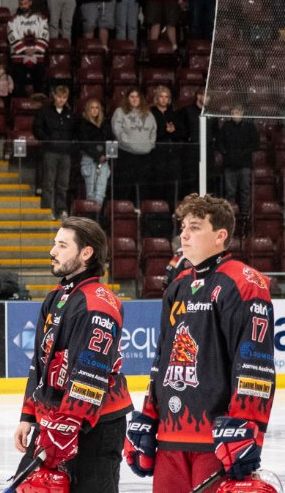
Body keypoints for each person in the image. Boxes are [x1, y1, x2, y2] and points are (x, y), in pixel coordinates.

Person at [125, 195, 274, 493]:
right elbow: (161, 362)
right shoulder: (178, 286)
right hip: (170, 438)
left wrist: (247, 429)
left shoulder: (245, 283)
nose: (184, 234)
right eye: (183, 227)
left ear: (220, 236)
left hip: (217, 441)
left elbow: (254, 365)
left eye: (194, 227)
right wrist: (150, 417)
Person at [12, 216, 131, 492]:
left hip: (95, 426)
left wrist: (67, 424)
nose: (53, 251)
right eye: (55, 244)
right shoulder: (58, 295)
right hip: (56, 421)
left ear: (86, 253)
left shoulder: (99, 302)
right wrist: (28, 414)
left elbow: (89, 372)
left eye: (62, 245)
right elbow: (40, 363)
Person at [34, 85, 77, 219]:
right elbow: (37, 129)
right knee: (49, 182)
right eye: (59, 97)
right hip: (50, 151)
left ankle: (61, 210)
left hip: (65, 153)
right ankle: (47, 210)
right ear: (54, 96)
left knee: (63, 183)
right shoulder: (44, 112)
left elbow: (75, 132)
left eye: (64, 97)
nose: (61, 100)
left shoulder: (70, 113)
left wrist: (70, 145)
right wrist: (48, 140)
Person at [214, 106, 258, 229]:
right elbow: (219, 143)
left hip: (244, 164)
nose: (236, 115)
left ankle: (244, 218)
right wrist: (226, 153)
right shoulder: (226, 126)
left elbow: (255, 144)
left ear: (243, 113)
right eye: (234, 112)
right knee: (230, 192)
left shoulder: (249, 126)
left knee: (245, 191)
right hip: (229, 165)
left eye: (238, 112)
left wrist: (243, 153)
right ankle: (230, 218)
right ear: (231, 113)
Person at [111, 87, 155, 199]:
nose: (135, 99)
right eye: (132, 97)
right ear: (127, 99)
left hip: (145, 156)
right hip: (127, 154)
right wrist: (129, 143)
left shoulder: (149, 114)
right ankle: (122, 211)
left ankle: (141, 210)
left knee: (143, 187)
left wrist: (149, 145)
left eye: (137, 96)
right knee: (125, 186)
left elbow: (153, 131)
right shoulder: (120, 112)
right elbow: (117, 131)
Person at [8, 0, 49, 97]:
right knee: (18, 84)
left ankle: (39, 107)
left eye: (25, 3)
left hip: (37, 55)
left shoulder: (41, 18)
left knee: (39, 83)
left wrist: (35, 49)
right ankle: (19, 106)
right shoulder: (13, 19)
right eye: (21, 4)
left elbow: (45, 33)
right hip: (19, 57)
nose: (23, 6)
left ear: (30, 3)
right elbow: (11, 34)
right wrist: (23, 50)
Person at [150, 86, 187, 200]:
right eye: (161, 96)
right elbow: (149, 134)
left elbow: (183, 133)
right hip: (157, 154)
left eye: (166, 97)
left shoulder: (174, 114)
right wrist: (165, 131)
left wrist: (173, 131)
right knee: (158, 183)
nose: (164, 99)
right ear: (156, 98)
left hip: (173, 154)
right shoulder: (151, 114)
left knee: (172, 184)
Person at [76, 98, 113, 206]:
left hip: (104, 160)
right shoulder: (82, 124)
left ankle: (96, 217)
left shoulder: (105, 124)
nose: (94, 110)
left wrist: (107, 154)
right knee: (91, 194)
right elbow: (84, 143)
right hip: (89, 159)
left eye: (97, 108)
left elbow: (110, 140)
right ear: (87, 109)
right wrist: (98, 156)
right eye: (92, 108)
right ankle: (91, 218)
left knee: (101, 193)